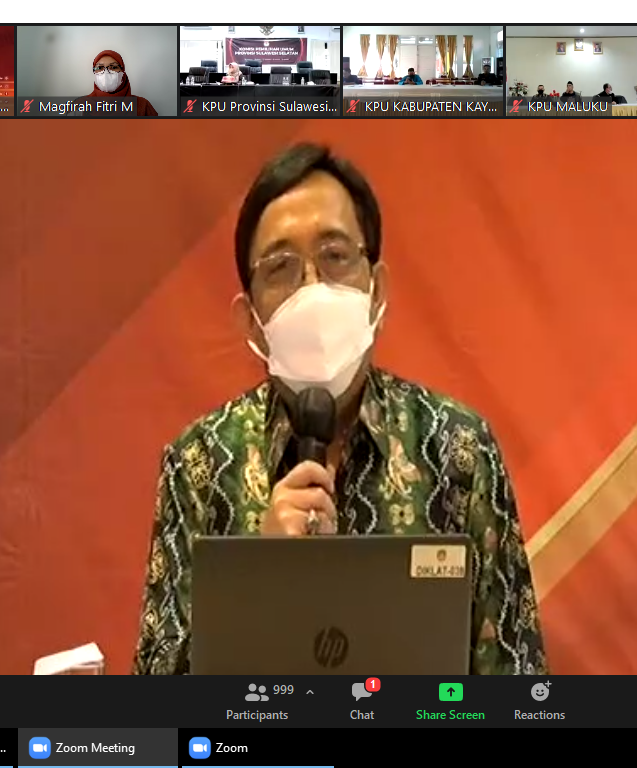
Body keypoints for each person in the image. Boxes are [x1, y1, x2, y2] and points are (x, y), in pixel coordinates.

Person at [131, 144, 549, 676]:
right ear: (250, 320)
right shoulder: (199, 465)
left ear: (377, 292)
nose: (312, 290)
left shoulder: (459, 449)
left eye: (335, 257)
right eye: (281, 267)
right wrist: (252, 585)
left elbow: (519, 674)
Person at [78, 49, 158, 115]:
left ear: (123, 72)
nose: (106, 73)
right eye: (99, 68)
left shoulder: (143, 106)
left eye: (113, 67)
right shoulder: (81, 105)